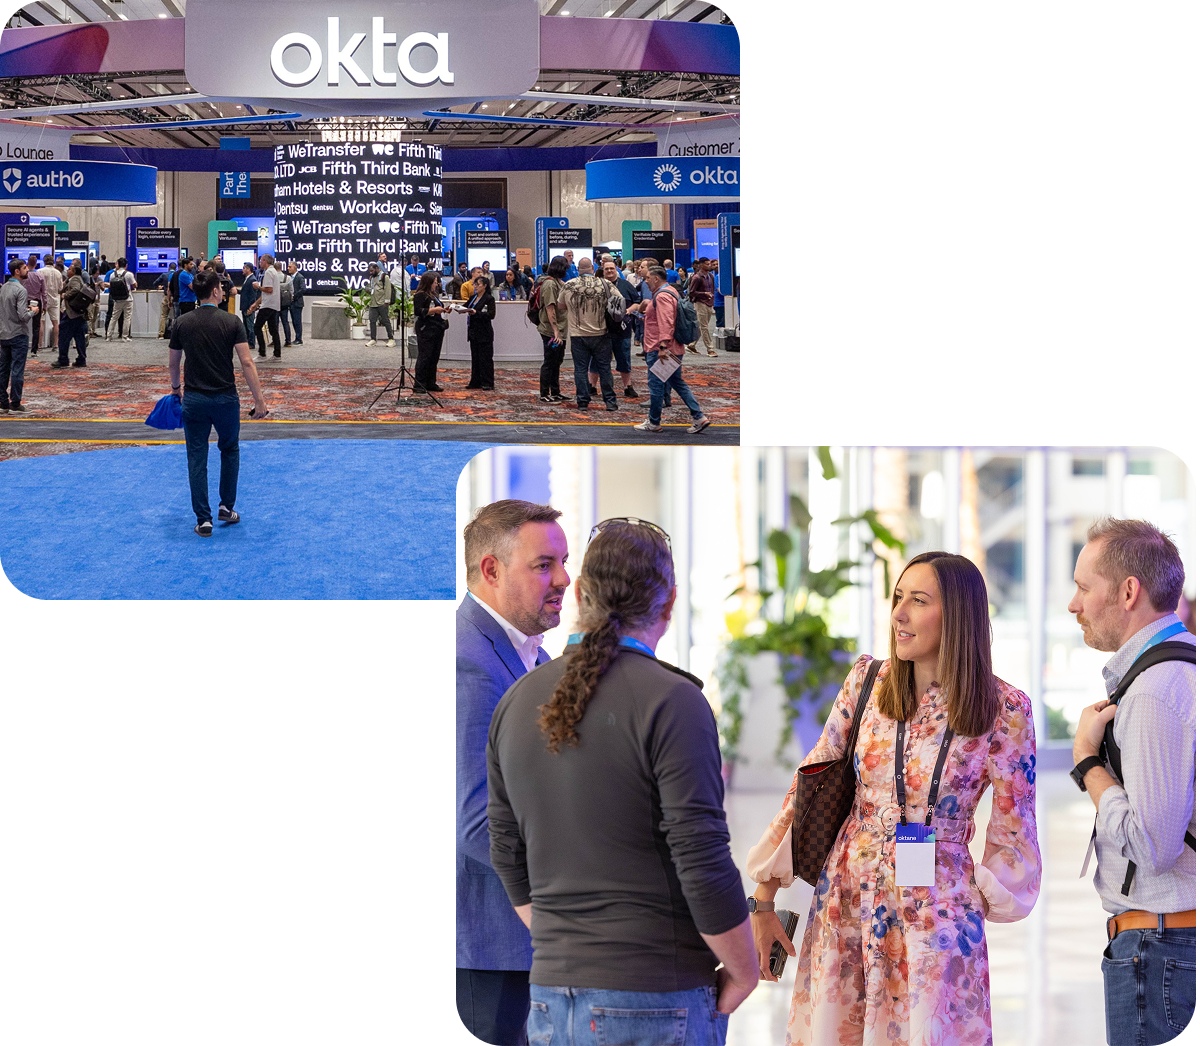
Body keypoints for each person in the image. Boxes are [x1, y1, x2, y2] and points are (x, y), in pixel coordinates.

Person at [746, 551, 1042, 1045]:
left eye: (918, 601)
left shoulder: (1005, 709)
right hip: (846, 898)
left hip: (937, 912)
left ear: (959, 617)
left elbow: (1016, 827)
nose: (899, 614)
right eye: (898, 599)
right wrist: (763, 899)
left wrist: (977, 898)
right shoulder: (866, 681)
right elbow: (807, 786)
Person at [488, 518, 757, 1045]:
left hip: (548, 998)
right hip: (655, 997)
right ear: (670, 600)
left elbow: (505, 849)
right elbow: (701, 858)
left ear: (581, 592)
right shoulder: (673, 702)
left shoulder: (517, 701)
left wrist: (563, 942)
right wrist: (745, 970)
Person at [1066, 518, 1195, 1046]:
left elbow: (1151, 845)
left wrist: (1086, 761)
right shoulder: (1181, 667)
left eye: (1082, 587)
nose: (1073, 605)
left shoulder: (1151, 691)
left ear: (1127, 591)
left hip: (1162, 949)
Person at [457, 499, 571, 1046]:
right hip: (485, 938)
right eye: (544, 565)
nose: (565, 579)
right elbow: (477, 823)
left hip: (517, 933)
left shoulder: (533, 658)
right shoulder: (469, 665)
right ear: (491, 570)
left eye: (564, 562)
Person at [168, 268, 269, 538]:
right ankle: (227, 506)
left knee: (197, 457)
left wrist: (176, 388)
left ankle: (203, 519)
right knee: (230, 450)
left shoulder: (182, 322)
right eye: (222, 288)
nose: (224, 291)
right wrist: (259, 400)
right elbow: (247, 362)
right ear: (215, 291)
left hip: (194, 399)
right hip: (225, 398)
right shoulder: (231, 322)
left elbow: (174, 361)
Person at [631, 266, 709, 434]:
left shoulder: (663, 296)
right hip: (670, 347)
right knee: (677, 382)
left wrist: (662, 346)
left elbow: (666, 321)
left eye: (647, 278)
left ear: (656, 279)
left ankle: (654, 422)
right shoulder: (669, 292)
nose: (646, 281)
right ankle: (698, 416)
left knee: (656, 385)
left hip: (662, 349)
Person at [559, 256, 621, 412]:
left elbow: (560, 306)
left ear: (578, 270)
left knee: (580, 369)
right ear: (593, 270)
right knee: (605, 369)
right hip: (601, 333)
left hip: (578, 334)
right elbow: (619, 302)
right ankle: (610, 402)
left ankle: (583, 402)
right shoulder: (605, 284)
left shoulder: (569, 285)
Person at [595, 259, 638, 399]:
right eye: (606, 269)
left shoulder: (626, 285)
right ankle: (591, 386)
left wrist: (628, 311)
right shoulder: (597, 286)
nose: (609, 271)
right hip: (601, 329)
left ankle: (628, 386)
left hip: (622, 330)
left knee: (624, 358)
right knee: (596, 359)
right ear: (603, 270)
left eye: (612, 269)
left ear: (616, 269)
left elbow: (637, 303)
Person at [1, 259, 39, 413]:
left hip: (4, 334)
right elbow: (23, 316)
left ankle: (3, 402)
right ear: (17, 271)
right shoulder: (21, 290)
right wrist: (33, 311)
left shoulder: (3, 288)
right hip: (18, 334)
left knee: (3, 369)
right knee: (17, 369)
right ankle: (15, 403)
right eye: (24, 268)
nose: (27, 270)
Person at [535, 255, 567, 404]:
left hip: (560, 328)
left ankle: (555, 391)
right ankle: (544, 392)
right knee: (549, 361)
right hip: (551, 330)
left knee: (557, 361)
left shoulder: (558, 283)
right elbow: (550, 308)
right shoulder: (549, 285)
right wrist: (556, 331)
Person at [411, 270, 448, 393]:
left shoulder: (433, 295)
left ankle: (431, 382)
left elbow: (436, 308)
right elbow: (418, 311)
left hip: (437, 327)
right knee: (425, 356)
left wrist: (443, 310)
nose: (436, 285)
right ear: (428, 282)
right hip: (426, 329)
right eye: (435, 282)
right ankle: (419, 383)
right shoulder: (420, 295)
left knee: (434, 357)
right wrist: (433, 310)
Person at [52, 262, 88, 368]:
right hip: (78, 314)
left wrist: (65, 295)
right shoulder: (75, 279)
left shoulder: (75, 279)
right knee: (79, 337)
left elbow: (76, 289)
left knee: (63, 336)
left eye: (69, 269)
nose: (67, 270)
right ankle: (81, 359)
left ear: (74, 271)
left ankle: (63, 359)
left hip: (71, 313)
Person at [465, 275, 496, 391]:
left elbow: (491, 315)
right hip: (473, 331)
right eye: (475, 284)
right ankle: (475, 381)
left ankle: (487, 382)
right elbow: (465, 307)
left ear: (485, 286)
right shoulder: (473, 298)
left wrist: (476, 313)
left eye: (478, 284)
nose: (476, 286)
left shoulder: (489, 299)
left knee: (486, 358)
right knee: (475, 357)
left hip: (484, 332)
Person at [250, 253, 282, 359]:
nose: (260, 262)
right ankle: (277, 354)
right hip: (274, 305)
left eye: (261, 260)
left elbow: (268, 289)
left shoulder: (268, 272)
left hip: (268, 305)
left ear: (266, 262)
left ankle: (262, 352)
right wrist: (256, 303)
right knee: (273, 330)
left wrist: (258, 286)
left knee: (257, 327)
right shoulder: (274, 272)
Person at [686, 257, 719, 357]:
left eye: (709, 264)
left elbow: (712, 290)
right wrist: (704, 293)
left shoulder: (711, 276)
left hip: (708, 302)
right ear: (701, 265)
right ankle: (710, 349)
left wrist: (710, 298)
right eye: (707, 264)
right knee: (704, 327)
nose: (709, 265)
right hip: (700, 303)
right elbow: (691, 292)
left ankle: (691, 345)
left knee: (701, 326)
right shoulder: (697, 277)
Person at [364, 262, 395, 347]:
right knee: (372, 321)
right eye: (370, 271)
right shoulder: (371, 277)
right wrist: (368, 289)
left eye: (372, 270)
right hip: (373, 303)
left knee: (385, 321)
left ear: (377, 268)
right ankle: (373, 339)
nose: (370, 272)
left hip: (382, 303)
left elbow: (387, 289)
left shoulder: (384, 277)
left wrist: (387, 301)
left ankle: (391, 339)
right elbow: (373, 288)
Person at [104, 257, 135, 342]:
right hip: (128, 299)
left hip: (117, 299)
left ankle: (109, 336)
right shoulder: (129, 274)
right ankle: (124, 336)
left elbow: (111, 285)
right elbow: (134, 285)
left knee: (113, 318)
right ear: (126, 265)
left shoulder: (112, 274)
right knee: (127, 318)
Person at [19, 256, 44, 357]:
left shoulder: (23, 276)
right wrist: (45, 305)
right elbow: (44, 292)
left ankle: (21, 347)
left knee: (22, 324)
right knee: (36, 327)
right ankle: (34, 350)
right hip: (37, 302)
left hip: (24, 301)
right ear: (36, 263)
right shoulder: (40, 276)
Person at [39, 254, 63, 351]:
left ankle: (39, 345)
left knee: (41, 323)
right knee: (55, 323)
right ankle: (56, 344)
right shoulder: (58, 273)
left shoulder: (40, 272)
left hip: (43, 300)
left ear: (44, 261)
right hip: (54, 299)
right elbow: (60, 288)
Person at [238, 263, 259, 347]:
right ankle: (248, 341)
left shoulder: (252, 280)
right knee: (246, 325)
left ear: (248, 269)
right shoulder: (247, 279)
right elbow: (245, 292)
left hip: (248, 307)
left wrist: (251, 307)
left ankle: (251, 342)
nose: (242, 270)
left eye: (244, 268)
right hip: (245, 306)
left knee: (250, 326)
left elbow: (252, 295)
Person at [156, 262, 176, 338]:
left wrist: (160, 287)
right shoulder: (178, 275)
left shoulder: (164, 275)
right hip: (176, 297)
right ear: (175, 268)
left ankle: (161, 334)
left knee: (164, 315)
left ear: (169, 267)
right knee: (177, 315)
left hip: (166, 296)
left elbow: (155, 283)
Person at [286, 261, 305, 345]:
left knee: (297, 321)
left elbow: (303, 289)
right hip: (291, 303)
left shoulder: (300, 277)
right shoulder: (289, 278)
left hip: (297, 303)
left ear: (295, 267)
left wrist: (294, 296)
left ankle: (299, 338)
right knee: (294, 321)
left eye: (290, 267)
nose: (288, 268)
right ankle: (297, 338)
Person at [711, 258, 725, 331]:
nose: (716, 266)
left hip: (727, 304)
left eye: (717, 264)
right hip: (719, 303)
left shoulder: (723, 275)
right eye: (714, 265)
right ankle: (720, 341)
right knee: (721, 323)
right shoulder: (716, 276)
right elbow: (719, 290)